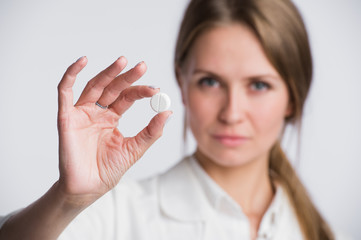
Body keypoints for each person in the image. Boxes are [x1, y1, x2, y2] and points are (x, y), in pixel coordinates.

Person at [0, 0, 335, 239]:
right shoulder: (115, 216)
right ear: (182, 83)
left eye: (259, 85)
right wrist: (67, 199)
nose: (232, 113)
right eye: (210, 82)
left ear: (294, 96)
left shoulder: (323, 230)